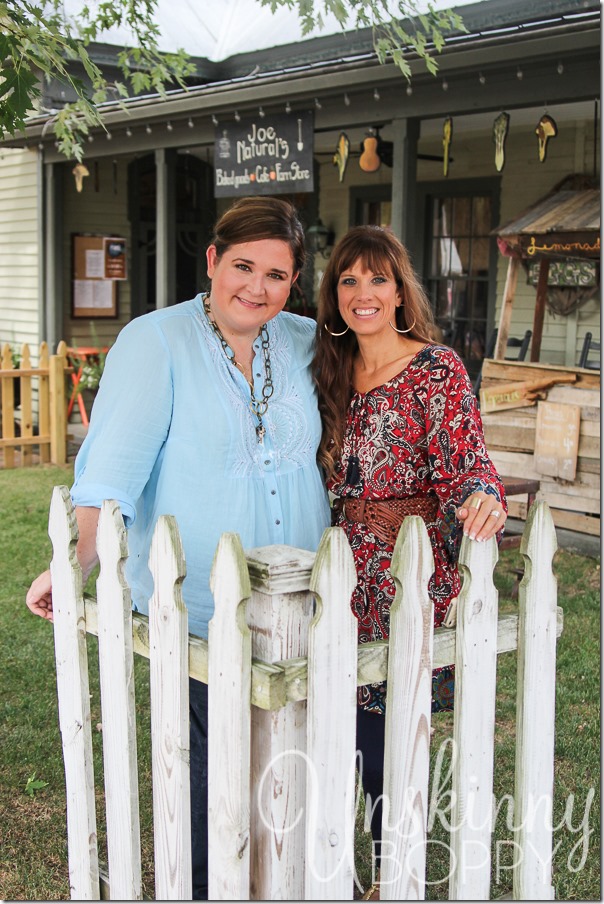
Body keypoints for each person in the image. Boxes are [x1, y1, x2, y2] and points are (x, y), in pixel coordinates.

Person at [26, 196, 331, 900]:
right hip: (200, 610)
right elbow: (111, 475)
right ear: (213, 261)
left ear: (293, 284)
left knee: (291, 767)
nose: (257, 288)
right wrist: (72, 563)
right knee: (211, 779)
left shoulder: (309, 341)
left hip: (304, 603)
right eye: (244, 267)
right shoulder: (153, 340)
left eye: (277, 276)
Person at [312, 225, 507, 894]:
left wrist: (482, 492)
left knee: (391, 737)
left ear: (399, 292)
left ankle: (396, 872)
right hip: (338, 572)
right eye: (348, 281)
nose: (363, 294)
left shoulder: (435, 368)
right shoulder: (328, 372)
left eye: (377, 279)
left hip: (403, 573)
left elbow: (466, 456)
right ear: (334, 294)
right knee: (338, 728)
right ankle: (340, 864)